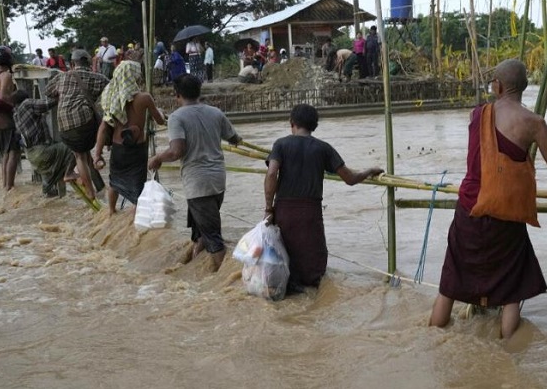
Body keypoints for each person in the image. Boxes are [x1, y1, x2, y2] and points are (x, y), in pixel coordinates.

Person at [429, 59, 547, 339]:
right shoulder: (534, 123)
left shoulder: (477, 115)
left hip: (469, 210)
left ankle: (433, 340)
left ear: (497, 86)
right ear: (524, 87)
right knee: (511, 289)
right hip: (506, 216)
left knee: (450, 284)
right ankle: (509, 348)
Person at [264, 104, 384, 292]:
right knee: (314, 266)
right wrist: (369, 171)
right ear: (314, 125)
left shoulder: (280, 144)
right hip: (310, 214)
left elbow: (271, 175)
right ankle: (314, 302)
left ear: (292, 123)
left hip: (284, 212)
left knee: (284, 258)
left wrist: (268, 208)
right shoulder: (323, 148)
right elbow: (350, 179)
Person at [148, 75, 242, 271]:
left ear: (178, 95)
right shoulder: (215, 112)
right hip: (217, 181)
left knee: (213, 237)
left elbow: (176, 151)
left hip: (198, 185)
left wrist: (157, 159)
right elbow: (234, 138)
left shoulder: (176, 117)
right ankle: (196, 271)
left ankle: (221, 282)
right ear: (200, 92)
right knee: (201, 234)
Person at [94, 61, 166, 214]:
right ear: (133, 77)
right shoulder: (145, 98)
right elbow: (160, 121)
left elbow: (103, 127)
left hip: (118, 147)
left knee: (114, 182)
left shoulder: (112, 99)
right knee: (137, 186)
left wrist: (97, 154)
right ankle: (135, 222)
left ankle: (111, 212)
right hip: (138, 149)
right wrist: (160, 112)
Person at [45, 48, 109, 200]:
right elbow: (111, 89)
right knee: (82, 153)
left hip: (63, 125)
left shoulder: (62, 77)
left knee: (78, 152)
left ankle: (71, 174)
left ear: (73, 63)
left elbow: (48, 91)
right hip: (85, 124)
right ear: (88, 62)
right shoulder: (97, 78)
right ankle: (91, 191)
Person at [11, 89, 77, 198]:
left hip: (32, 155)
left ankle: (49, 200)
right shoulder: (26, 104)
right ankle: (68, 172)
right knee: (73, 145)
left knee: (49, 191)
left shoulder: (16, 114)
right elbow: (47, 103)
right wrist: (63, 92)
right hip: (41, 152)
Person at [0, 46, 21, 191]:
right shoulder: (5, 75)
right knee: (14, 151)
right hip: (4, 116)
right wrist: (18, 103)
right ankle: (10, 186)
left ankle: (5, 186)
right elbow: (3, 97)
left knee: (4, 153)